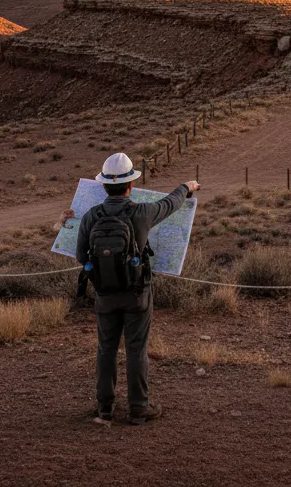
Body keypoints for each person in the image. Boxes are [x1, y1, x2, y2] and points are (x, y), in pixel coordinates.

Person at [75, 152, 198, 425]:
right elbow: (171, 203)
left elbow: (81, 257)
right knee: (136, 350)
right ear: (131, 186)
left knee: (105, 349)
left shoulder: (91, 216)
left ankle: (104, 407)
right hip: (137, 294)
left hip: (104, 296)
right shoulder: (143, 212)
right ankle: (139, 408)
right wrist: (187, 187)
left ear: (104, 186)